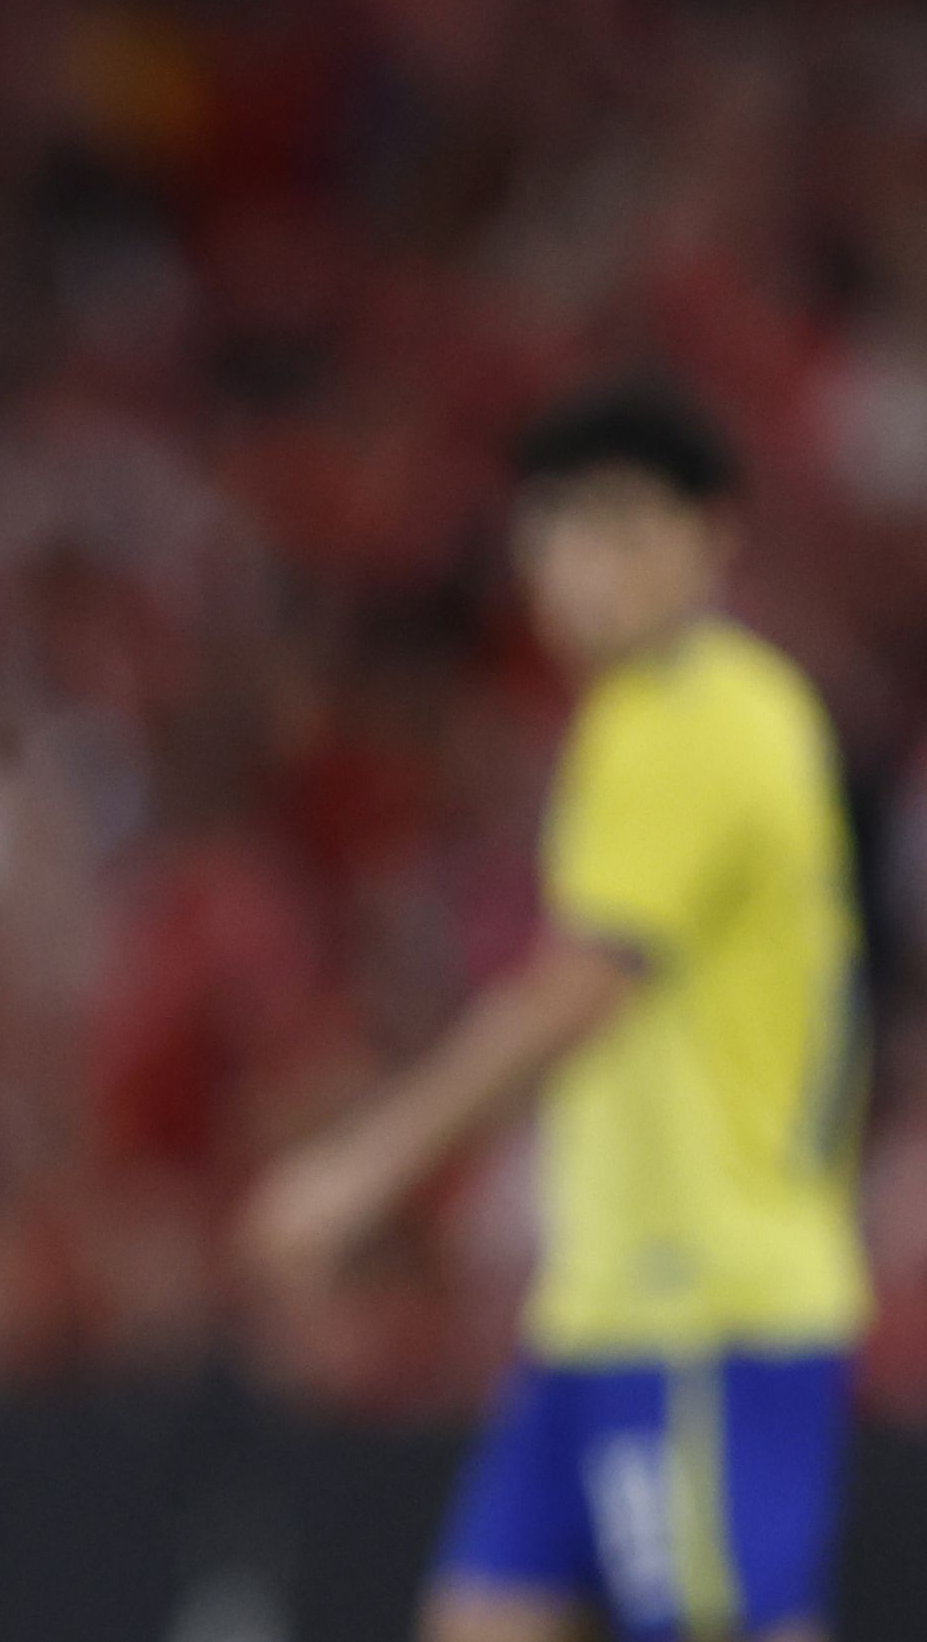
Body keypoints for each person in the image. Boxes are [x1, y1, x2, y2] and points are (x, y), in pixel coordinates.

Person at [240, 380, 866, 1642]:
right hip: (598, 1304)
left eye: (629, 529)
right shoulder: (625, 721)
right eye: (564, 530)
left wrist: (360, 1172)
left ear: (711, 539)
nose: (592, 568)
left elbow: (574, 992)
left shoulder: (710, 723)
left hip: (705, 1297)